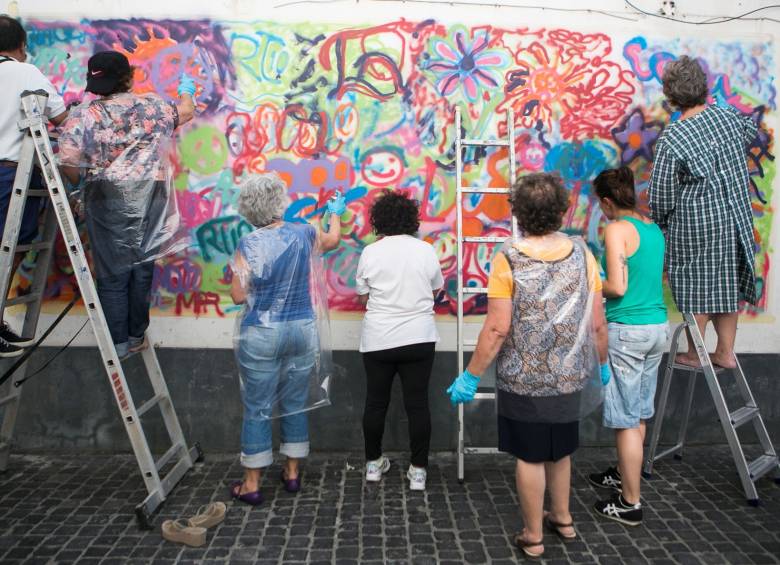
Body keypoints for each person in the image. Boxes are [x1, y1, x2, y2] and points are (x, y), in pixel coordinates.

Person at [447, 173, 608, 559]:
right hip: (569, 374)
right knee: (561, 450)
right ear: (560, 210)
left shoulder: (508, 257)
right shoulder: (584, 254)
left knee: (531, 455)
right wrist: (603, 366)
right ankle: (564, 519)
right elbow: (597, 322)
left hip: (524, 377)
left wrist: (470, 376)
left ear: (517, 211)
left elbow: (498, 327)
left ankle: (533, 535)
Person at [58, 51, 195, 358]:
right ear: (128, 77)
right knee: (142, 267)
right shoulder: (153, 106)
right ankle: (135, 335)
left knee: (112, 272)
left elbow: (67, 159)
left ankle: (118, 344)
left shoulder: (83, 116)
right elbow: (185, 111)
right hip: (151, 195)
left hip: (106, 197)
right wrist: (187, 90)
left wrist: (79, 186)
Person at [229, 173, 343, 505]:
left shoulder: (248, 244)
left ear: (249, 209)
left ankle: (252, 483)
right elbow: (332, 240)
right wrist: (335, 211)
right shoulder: (304, 232)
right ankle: (292, 474)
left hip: (262, 332)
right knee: (295, 402)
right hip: (302, 329)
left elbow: (237, 294)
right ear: (280, 201)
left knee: (258, 406)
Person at [649, 55, 758, 370]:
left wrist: (659, 219)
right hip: (735, 217)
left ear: (671, 94)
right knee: (726, 283)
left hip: (696, 224)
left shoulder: (673, 138)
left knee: (696, 289)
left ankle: (696, 354)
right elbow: (749, 134)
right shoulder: (726, 116)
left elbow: (662, 196)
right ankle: (725, 352)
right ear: (701, 86)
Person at [588, 166, 668, 526]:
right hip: (656, 329)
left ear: (606, 201)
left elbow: (617, 287)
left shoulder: (617, 229)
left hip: (627, 331)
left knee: (625, 419)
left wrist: (588, 280)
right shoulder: (652, 229)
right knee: (638, 413)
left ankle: (630, 502)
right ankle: (625, 474)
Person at [356, 190, 443, 491]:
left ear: (378, 220)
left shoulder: (370, 253)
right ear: (411, 219)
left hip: (378, 338)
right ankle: (418, 471)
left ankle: (372, 465)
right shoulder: (425, 250)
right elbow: (435, 291)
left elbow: (363, 295)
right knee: (417, 404)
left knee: (376, 402)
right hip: (419, 338)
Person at [0, 14, 68, 357]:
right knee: (9, 246)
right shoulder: (24, 71)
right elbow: (60, 117)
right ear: (21, 46)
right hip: (9, 172)